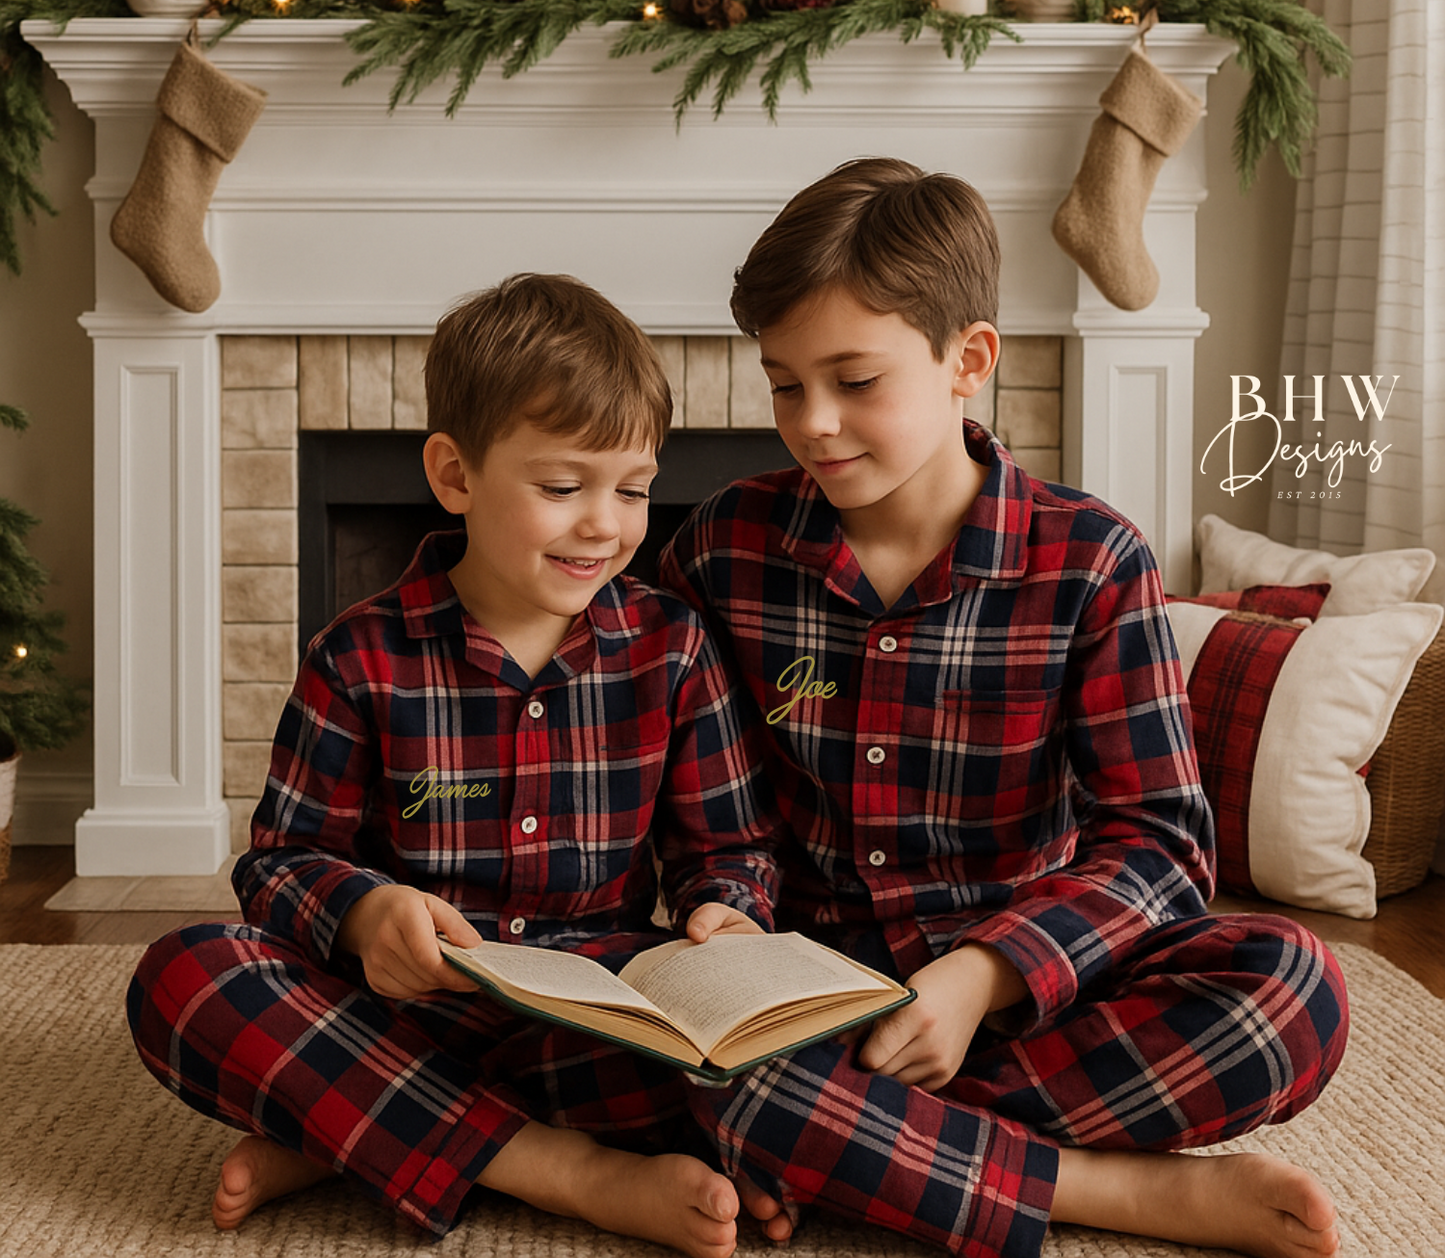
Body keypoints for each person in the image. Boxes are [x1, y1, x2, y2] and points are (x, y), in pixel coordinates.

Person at [659, 158, 1350, 1258]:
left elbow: (1161, 847)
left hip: (1026, 991)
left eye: (853, 379)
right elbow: (713, 821)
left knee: (1291, 993)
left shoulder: (1088, 559)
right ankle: (1111, 1190)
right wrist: (721, 909)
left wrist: (982, 975)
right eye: (785, 383)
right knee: (694, 1069)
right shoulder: (721, 548)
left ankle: (842, 1152)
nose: (813, 422)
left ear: (965, 360)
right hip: (805, 1003)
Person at [126, 273, 781, 1258]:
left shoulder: (674, 647)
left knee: (787, 1076)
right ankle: (567, 1171)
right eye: (562, 486)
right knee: (187, 976)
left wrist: (725, 909)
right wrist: (361, 910)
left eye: (633, 488)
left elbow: (729, 846)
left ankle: (354, 1132)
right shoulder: (357, 654)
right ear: (455, 473)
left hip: (592, 1016)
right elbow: (279, 861)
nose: (604, 522)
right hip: (406, 1008)